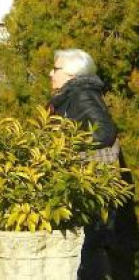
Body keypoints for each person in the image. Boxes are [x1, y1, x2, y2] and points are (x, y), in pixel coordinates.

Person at [48, 48, 139, 280]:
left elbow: (105, 132)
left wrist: (67, 147)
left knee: (92, 249)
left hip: (91, 187)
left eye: (55, 69)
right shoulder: (71, 95)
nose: (50, 73)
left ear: (71, 74)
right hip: (86, 187)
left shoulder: (81, 94)